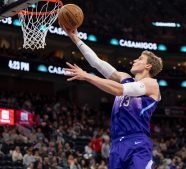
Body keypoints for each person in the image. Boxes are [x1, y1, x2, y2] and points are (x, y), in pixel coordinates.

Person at [61, 26, 163, 169]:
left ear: (148, 65)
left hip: (137, 142)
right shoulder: (125, 77)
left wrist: (87, 76)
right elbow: (97, 63)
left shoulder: (152, 84)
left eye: (139, 58)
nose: (134, 60)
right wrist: (75, 38)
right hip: (116, 145)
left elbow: (120, 90)